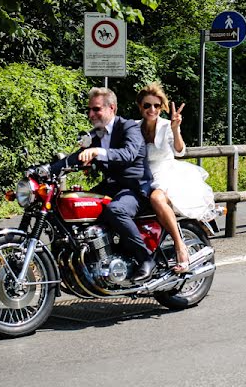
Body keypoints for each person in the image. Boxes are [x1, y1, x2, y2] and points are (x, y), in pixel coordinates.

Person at [57, 87, 157, 281]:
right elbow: (75, 157)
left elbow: (127, 154)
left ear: (111, 108)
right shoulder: (96, 134)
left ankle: (146, 258)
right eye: (90, 110)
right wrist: (45, 170)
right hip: (112, 186)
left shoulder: (129, 127)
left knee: (115, 210)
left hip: (134, 187)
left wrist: (97, 152)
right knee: (77, 205)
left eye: (96, 109)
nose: (91, 114)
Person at [136, 82, 216, 273]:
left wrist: (175, 128)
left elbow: (180, 151)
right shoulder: (135, 127)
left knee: (156, 198)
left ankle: (180, 248)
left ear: (161, 107)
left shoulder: (166, 126)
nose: (152, 109)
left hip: (166, 173)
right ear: (140, 106)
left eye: (156, 105)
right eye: (147, 105)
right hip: (142, 175)